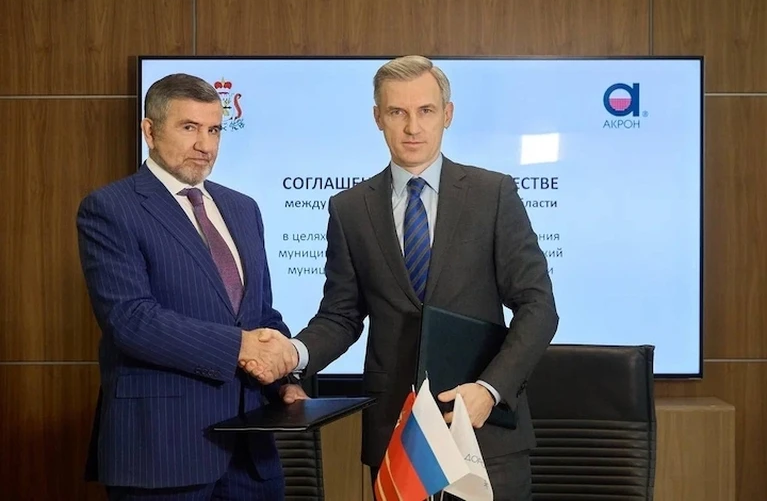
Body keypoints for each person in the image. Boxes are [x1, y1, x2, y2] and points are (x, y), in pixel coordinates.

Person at [247, 55, 559, 500]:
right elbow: (340, 316)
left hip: (483, 429)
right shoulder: (350, 209)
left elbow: (538, 307)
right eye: (397, 112)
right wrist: (292, 354)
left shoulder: (493, 194)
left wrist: (490, 390)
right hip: (397, 434)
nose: (412, 127)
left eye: (425, 110)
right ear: (378, 117)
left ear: (447, 114)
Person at [77, 73, 306, 501]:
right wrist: (241, 346)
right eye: (189, 127)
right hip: (162, 452)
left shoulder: (243, 208)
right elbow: (131, 320)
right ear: (149, 131)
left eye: (214, 129)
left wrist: (282, 377)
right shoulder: (110, 208)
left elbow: (261, 313)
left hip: (251, 455)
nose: (205, 144)